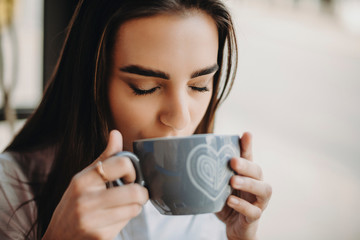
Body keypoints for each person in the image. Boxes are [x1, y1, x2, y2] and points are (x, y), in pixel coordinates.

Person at [0, 0, 272, 239]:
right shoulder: (12, 189)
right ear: (92, 81)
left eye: (200, 85)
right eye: (145, 87)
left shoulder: (214, 200)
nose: (180, 119)